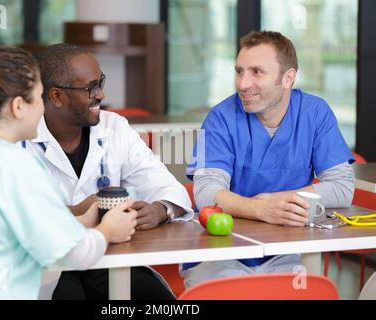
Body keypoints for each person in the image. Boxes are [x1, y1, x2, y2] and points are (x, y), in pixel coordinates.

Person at [0, 44, 137, 299]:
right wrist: (108, 230)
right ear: (18, 107)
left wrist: (82, 222)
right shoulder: (11, 164)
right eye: (39, 98)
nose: (43, 107)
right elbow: (77, 254)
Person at [22, 43, 194, 300]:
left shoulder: (114, 128)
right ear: (57, 96)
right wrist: (82, 211)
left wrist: (160, 210)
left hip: (108, 257)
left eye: (100, 82)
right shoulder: (20, 138)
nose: (101, 94)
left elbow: (170, 188)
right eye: (90, 88)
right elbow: (21, 221)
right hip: (46, 264)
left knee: (155, 299)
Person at [184, 31, 355, 287]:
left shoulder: (315, 113)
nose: (242, 83)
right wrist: (261, 209)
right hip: (221, 252)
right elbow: (206, 192)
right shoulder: (220, 118)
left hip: (288, 250)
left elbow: (342, 188)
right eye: (239, 71)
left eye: (256, 72)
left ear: (288, 78)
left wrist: (275, 201)